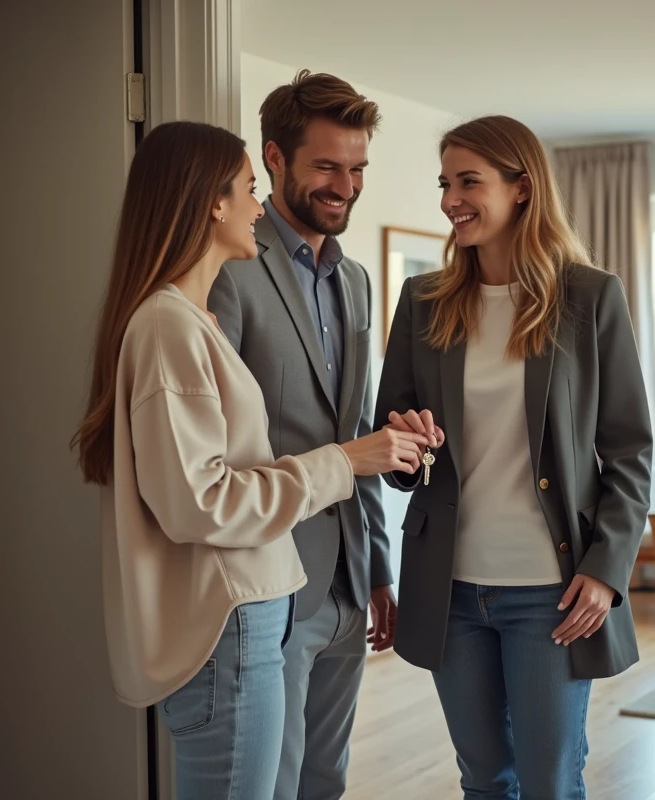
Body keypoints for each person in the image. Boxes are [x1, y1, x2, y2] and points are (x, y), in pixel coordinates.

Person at [72, 120, 429, 799]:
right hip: (232, 622)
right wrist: (344, 462)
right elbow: (201, 503)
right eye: (248, 189)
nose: (258, 208)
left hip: (256, 609)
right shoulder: (168, 326)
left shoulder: (190, 321)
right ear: (212, 201)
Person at [374, 115, 654, 799]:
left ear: (522, 188)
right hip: (451, 590)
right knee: (482, 779)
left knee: (549, 780)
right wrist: (407, 449)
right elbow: (391, 449)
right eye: (446, 183)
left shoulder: (589, 298)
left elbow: (629, 451)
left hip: (550, 592)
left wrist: (606, 567)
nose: (450, 199)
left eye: (469, 181)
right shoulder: (422, 303)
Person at [207, 70, 394, 800]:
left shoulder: (355, 282)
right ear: (275, 158)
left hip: (349, 581)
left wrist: (378, 568)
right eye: (326, 167)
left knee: (325, 782)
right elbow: (217, 443)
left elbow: (360, 431)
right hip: (269, 585)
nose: (345, 186)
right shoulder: (228, 267)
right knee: (271, 787)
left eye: (357, 170)